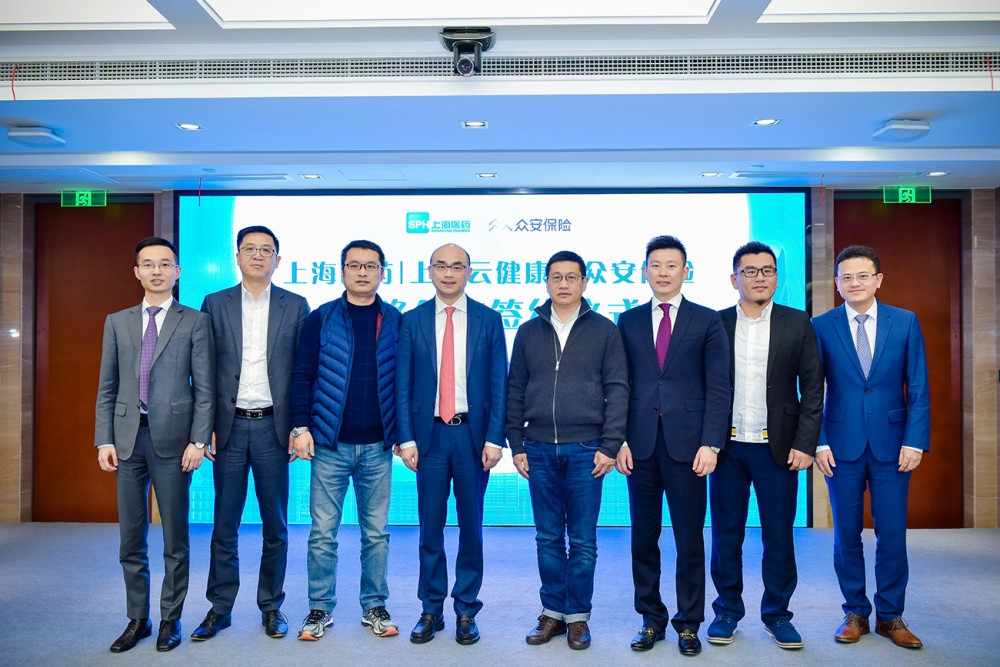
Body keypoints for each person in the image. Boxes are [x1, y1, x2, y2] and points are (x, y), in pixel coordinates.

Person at [95, 236, 214, 653]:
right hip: (127, 440)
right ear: (137, 272)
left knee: (175, 538)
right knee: (131, 538)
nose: (157, 270)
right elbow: (107, 385)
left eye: (165, 264)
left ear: (177, 272)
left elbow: (205, 388)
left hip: (175, 442)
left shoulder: (195, 321)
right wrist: (103, 438)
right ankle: (138, 619)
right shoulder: (117, 321)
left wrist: (198, 439)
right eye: (148, 264)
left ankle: (170, 619)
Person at [506, 250, 629, 651]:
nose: (563, 284)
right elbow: (515, 388)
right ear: (546, 282)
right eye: (556, 277)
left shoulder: (605, 330)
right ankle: (552, 613)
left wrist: (610, 445)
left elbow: (618, 389)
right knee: (546, 537)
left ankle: (577, 617)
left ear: (584, 282)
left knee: (583, 540)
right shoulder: (528, 331)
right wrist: (516, 443)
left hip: (586, 449)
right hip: (538, 446)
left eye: (571, 277)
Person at [192, 226, 309, 642]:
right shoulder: (215, 302)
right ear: (237, 256)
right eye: (250, 249)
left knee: (275, 525)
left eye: (266, 250)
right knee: (224, 524)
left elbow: (302, 372)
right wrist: (205, 427)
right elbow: (203, 369)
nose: (258, 256)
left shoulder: (296, 305)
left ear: (278, 259)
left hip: (274, 428)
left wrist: (298, 426)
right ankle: (220, 608)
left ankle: (271, 606)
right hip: (229, 427)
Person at [615, 234, 730, 656]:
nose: (663, 272)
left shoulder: (707, 320)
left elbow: (719, 387)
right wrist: (619, 439)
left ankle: (689, 623)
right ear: (644, 271)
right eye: (656, 265)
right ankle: (650, 619)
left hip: (689, 447)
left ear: (686, 271)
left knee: (689, 539)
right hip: (639, 445)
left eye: (671, 265)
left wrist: (712, 443)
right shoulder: (627, 321)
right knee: (643, 538)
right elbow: (619, 385)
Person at [812, 244, 929, 650]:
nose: (854, 283)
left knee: (892, 533)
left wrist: (915, 440)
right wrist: (818, 441)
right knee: (846, 534)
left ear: (878, 279)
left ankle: (891, 616)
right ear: (837, 283)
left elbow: (918, 385)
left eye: (862, 276)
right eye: (846, 277)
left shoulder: (905, 321)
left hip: (893, 446)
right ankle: (855, 613)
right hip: (839, 445)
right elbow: (811, 388)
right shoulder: (822, 325)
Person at [707, 241, 824, 650]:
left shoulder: (798, 322)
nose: (760, 278)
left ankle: (777, 614)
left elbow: (813, 388)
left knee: (778, 535)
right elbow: (706, 386)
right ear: (734, 278)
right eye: (750, 271)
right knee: (726, 535)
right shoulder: (716, 323)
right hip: (727, 448)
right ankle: (727, 610)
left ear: (776, 277)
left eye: (767, 270)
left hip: (780, 449)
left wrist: (806, 443)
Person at [395, 243, 508, 646]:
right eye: (441, 266)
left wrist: (496, 438)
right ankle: (431, 609)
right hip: (428, 437)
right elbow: (402, 384)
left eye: (457, 266)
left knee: (471, 527)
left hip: (472, 436)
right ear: (429, 270)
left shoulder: (488, 319)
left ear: (469, 272)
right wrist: (405, 437)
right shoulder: (412, 320)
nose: (448, 273)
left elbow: (499, 383)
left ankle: (466, 610)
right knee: (430, 526)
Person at [290, 240, 402, 641]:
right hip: (329, 446)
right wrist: (300, 427)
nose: (362, 272)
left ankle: (374, 606)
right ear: (342, 271)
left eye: (370, 266)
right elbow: (302, 375)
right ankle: (320, 608)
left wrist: (403, 434)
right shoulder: (320, 318)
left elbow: (403, 382)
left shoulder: (395, 320)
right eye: (354, 265)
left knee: (376, 533)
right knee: (323, 533)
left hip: (377, 447)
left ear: (382, 272)